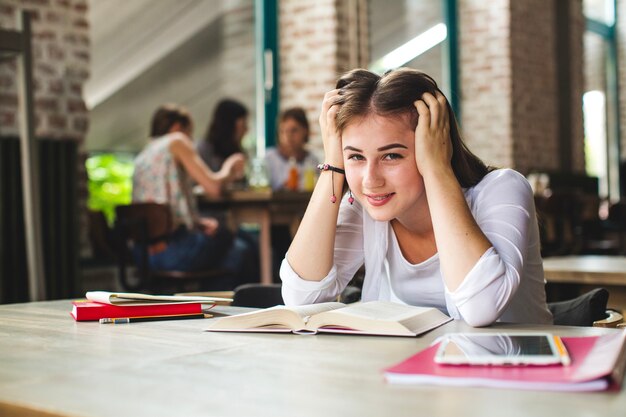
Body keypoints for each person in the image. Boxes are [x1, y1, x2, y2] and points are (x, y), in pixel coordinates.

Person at [280, 68, 553, 326]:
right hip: (407, 371)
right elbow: (301, 298)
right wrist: (333, 166)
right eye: (356, 156)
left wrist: (437, 168)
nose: (370, 179)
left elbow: (481, 307)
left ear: (433, 144)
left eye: (391, 155)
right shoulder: (368, 207)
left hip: (512, 370)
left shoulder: (502, 189)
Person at [132, 103, 254, 286]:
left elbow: (162, 207)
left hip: (143, 254)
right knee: (232, 237)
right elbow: (214, 188)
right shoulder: (177, 141)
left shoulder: (145, 154)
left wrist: (196, 222)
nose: (191, 141)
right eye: (190, 133)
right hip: (173, 252)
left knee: (238, 250)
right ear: (177, 128)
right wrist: (230, 168)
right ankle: (228, 308)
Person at [265, 107, 319, 190]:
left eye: (294, 130)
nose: (288, 136)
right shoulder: (269, 159)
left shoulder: (312, 160)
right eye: (283, 131)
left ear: (305, 131)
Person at [197, 98, 249, 173]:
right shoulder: (204, 149)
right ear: (229, 125)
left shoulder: (237, 151)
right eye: (243, 125)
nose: (246, 130)